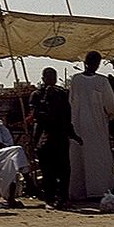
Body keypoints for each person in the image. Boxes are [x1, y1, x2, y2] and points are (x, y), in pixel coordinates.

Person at [29, 67, 83, 211]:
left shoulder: (62, 94)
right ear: (43, 79)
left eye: (54, 77)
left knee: (65, 170)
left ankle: (63, 198)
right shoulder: (37, 95)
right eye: (48, 78)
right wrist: (46, 98)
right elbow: (38, 116)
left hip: (61, 137)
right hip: (45, 138)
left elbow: (67, 117)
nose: (51, 80)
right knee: (48, 172)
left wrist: (73, 134)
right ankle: (49, 199)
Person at [68, 50, 114, 200]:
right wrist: (111, 115)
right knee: (98, 157)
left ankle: (80, 191)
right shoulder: (102, 81)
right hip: (97, 125)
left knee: (79, 157)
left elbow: (71, 101)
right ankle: (99, 189)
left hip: (78, 124)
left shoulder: (76, 80)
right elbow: (110, 106)